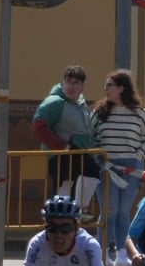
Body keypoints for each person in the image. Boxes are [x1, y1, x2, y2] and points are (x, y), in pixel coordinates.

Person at [93, 69, 145, 266]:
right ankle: (102, 253)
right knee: (108, 210)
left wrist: (139, 154)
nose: (106, 89)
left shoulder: (139, 113)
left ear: (121, 88)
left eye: (109, 86)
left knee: (123, 211)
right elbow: (91, 134)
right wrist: (99, 155)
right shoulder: (100, 112)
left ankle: (123, 253)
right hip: (106, 166)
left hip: (132, 167)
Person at [31, 66, 99, 203]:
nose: (71, 87)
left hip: (78, 154)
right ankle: (68, 213)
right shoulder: (55, 102)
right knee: (67, 185)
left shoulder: (81, 105)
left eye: (76, 83)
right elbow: (38, 127)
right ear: (63, 83)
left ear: (82, 87)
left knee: (89, 173)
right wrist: (63, 146)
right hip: (61, 157)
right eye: (68, 82)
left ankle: (76, 211)